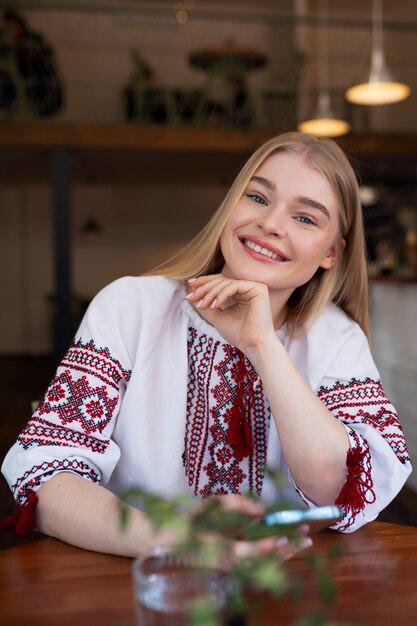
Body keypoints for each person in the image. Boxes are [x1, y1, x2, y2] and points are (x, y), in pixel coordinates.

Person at [1, 132, 411, 557]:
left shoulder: (337, 337)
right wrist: (177, 541)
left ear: (332, 253)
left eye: (306, 218)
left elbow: (340, 489)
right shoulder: (130, 307)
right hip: (132, 581)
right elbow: (46, 478)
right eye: (257, 197)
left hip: (282, 590)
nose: (271, 223)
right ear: (230, 205)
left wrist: (261, 345)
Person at [0, 8, 63, 117]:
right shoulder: (9, 48)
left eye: (10, 27)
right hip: (26, 95)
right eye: (6, 29)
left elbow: (47, 54)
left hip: (41, 92)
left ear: (19, 25)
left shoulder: (32, 40)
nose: (8, 31)